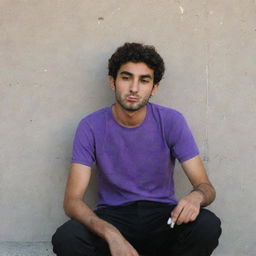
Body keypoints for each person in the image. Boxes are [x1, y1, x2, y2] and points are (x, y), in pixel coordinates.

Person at [52, 42, 221, 256]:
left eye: (144, 80)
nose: (134, 88)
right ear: (112, 82)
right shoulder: (90, 126)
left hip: (163, 219)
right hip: (112, 217)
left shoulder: (171, 121)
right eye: (126, 77)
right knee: (67, 237)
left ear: (154, 87)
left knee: (207, 225)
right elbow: (72, 201)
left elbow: (205, 187)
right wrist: (111, 233)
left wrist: (196, 197)